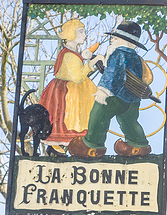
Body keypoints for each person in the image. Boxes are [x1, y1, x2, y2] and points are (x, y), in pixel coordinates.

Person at [69, 21, 152, 159]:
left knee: (98, 117)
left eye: (115, 38)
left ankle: (92, 146)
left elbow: (113, 73)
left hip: (114, 96)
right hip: (132, 98)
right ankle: (138, 145)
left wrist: (103, 91)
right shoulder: (135, 57)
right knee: (129, 122)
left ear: (126, 42)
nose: (112, 40)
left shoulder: (117, 53)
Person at [40, 19, 102, 155]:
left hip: (70, 90)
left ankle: (69, 146)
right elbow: (78, 77)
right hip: (67, 92)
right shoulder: (68, 55)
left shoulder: (71, 52)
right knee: (67, 119)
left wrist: (85, 58)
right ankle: (58, 147)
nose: (84, 35)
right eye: (80, 32)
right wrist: (92, 63)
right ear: (71, 34)